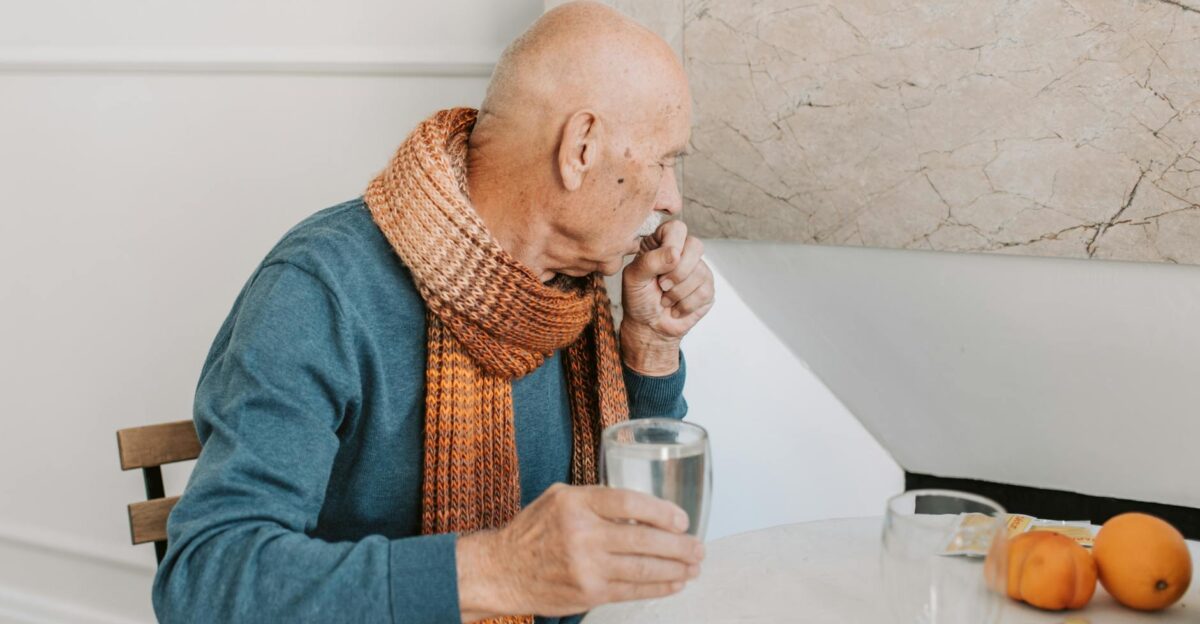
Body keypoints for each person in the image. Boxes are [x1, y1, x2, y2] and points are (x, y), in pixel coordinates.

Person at [152, 2, 715, 622]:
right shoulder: (321, 290)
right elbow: (204, 578)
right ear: (580, 148)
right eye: (664, 161)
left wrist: (652, 348)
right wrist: (497, 569)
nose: (671, 198)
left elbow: (623, 528)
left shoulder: (570, 296)